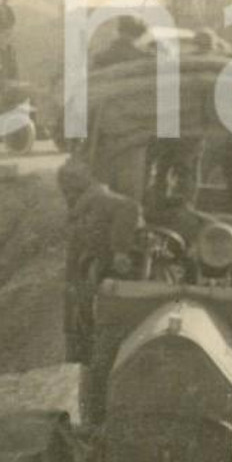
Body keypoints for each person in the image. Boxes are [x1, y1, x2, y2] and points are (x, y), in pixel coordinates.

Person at [58, 152, 144, 363]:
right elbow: (75, 248)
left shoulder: (103, 200)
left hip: (108, 272)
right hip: (89, 272)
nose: (67, 194)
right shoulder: (80, 207)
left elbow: (130, 208)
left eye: (70, 187)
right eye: (65, 189)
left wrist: (120, 250)